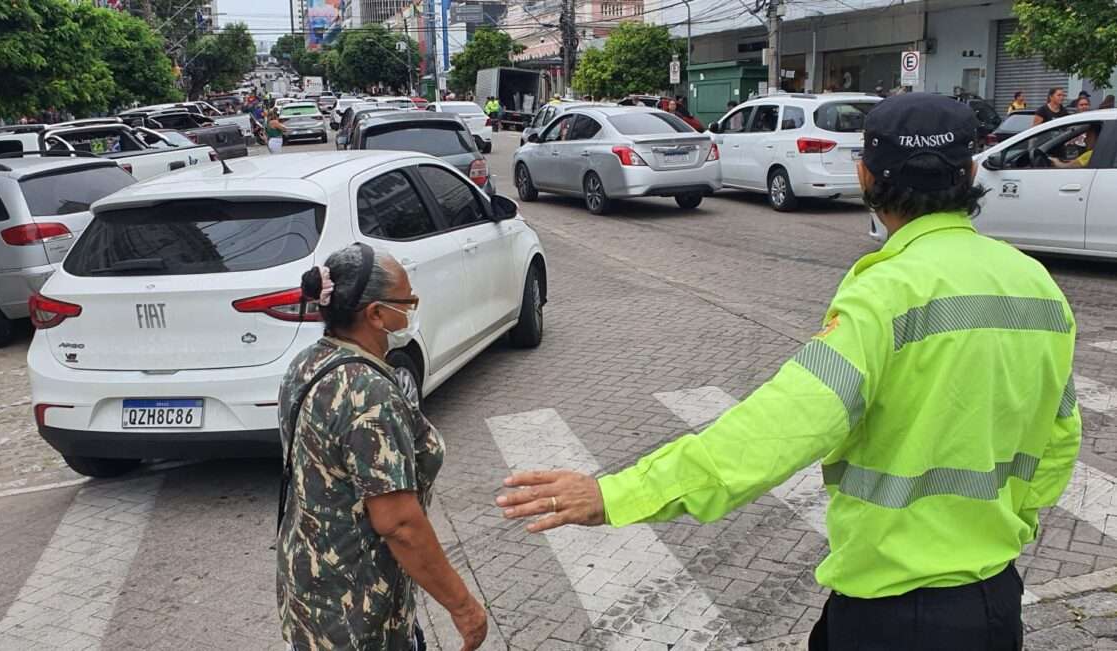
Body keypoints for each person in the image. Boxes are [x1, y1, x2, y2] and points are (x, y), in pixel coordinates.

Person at [496, 94, 1080, 650]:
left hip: (896, 615)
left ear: (866, 177)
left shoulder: (887, 294)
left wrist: (618, 493)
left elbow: (777, 430)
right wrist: (1004, 526)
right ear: (971, 169)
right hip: (996, 601)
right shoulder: (1036, 285)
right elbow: (1060, 440)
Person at [278, 243, 488, 651]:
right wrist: (464, 608)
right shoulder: (369, 393)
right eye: (406, 301)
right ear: (375, 314)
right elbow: (400, 524)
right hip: (359, 619)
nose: (411, 309)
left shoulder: (306, 363)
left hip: (308, 596)